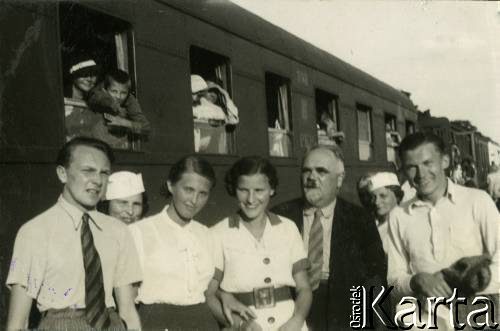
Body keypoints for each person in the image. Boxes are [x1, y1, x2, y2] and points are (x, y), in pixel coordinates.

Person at [5, 137, 142, 331]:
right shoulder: (34, 231)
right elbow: (18, 322)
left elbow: (128, 311)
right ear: (62, 173)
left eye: (104, 173)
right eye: (87, 171)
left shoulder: (118, 231)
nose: (97, 180)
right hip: (60, 324)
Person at [386, 132, 500, 328]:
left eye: (428, 163)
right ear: (403, 171)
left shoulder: (477, 201)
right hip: (427, 318)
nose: (421, 174)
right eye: (411, 167)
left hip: (479, 314)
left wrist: (454, 279)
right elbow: (393, 281)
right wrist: (416, 281)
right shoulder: (398, 215)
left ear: (445, 161)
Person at [271, 145, 387, 330]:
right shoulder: (280, 215)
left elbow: (375, 278)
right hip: (292, 306)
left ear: (339, 179)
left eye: (321, 171)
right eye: (306, 171)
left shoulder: (359, 219)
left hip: (343, 310)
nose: (311, 177)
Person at [209, 156, 312, 330]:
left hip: (289, 324)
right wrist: (238, 324)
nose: (251, 199)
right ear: (234, 189)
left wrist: (297, 320)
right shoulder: (218, 233)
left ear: (271, 189)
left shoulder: (287, 228)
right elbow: (208, 294)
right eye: (243, 190)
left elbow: (304, 288)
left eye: (259, 190)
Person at [128, 155, 219, 330]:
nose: (194, 200)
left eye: (202, 194)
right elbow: (128, 296)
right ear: (171, 186)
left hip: (202, 322)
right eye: (188, 189)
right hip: (157, 321)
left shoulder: (207, 235)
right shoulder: (140, 232)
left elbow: (210, 291)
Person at [87, 69, 151, 150]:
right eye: (114, 91)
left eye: (123, 93)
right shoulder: (98, 91)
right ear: (105, 90)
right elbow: (95, 98)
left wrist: (124, 122)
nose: (118, 96)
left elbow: (146, 127)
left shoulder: (130, 99)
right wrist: (114, 106)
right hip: (95, 139)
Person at [368, 172, 403, 253]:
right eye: (373, 197)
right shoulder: (373, 224)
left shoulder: (403, 223)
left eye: (383, 196)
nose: (376, 202)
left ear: (397, 196)